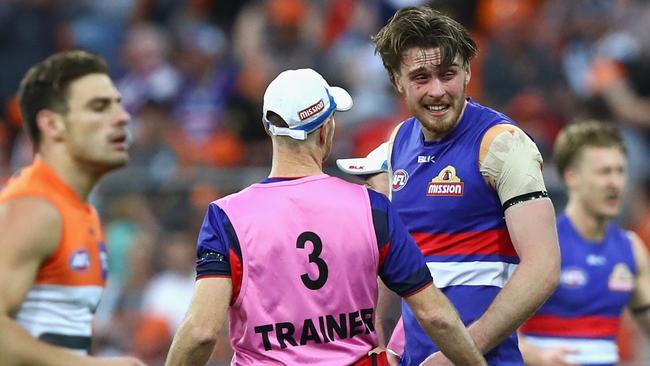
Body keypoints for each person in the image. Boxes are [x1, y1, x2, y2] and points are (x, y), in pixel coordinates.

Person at [165, 68, 486, 366]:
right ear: (325, 130)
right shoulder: (371, 207)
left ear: (268, 129)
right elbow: (435, 316)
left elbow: (200, 333)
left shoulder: (227, 218)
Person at [338, 6, 561, 365]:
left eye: (448, 74)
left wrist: (460, 352)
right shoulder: (398, 143)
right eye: (421, 77)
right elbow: (397, 264)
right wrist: (381, 343)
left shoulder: (503, 144)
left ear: (469, 71)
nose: (437, 91)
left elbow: (544, 267)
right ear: (397, 81)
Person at [0, 51, 144, 366]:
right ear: (52, 124)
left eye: (118, 103)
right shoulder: (33, 208)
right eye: (99, 107)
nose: (122, 117)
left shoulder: (82, 211)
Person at [519, 121, 650, 366]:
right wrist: (537, 357)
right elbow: (491, 334)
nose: (615, 183)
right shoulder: (543, 243)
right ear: (572, 177)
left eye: (620, 171)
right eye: (604, 172)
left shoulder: (630, 248)